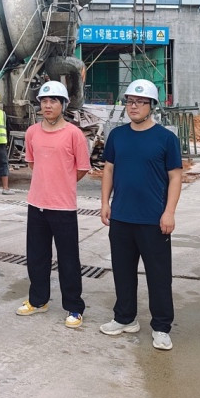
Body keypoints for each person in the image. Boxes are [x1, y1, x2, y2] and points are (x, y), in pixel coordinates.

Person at [99, 79, 182, 351]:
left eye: (140, 102)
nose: (133, 106)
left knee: (159, 276)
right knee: (123, 272)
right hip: (121, 217)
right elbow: (108, 169)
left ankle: (161, 327)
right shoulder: (117, 136)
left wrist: (169, 212)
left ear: (152, 105)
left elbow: (175, 177)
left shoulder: (166, 138)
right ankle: (125, 318)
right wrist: (105, 202)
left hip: (153, 220)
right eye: (130, 101)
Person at [16, 81, 90, 329]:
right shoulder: (32, 133)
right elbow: (32, 163)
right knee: (37, 257)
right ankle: (38, 300)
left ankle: (74, 307)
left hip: (63, 207)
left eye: (53, 101)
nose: (48, 105)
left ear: (63, 105)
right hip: (36, 204)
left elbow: (81, 169)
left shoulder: (74, 134)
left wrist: (61, 182)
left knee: (68, 259)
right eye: (44, 101)